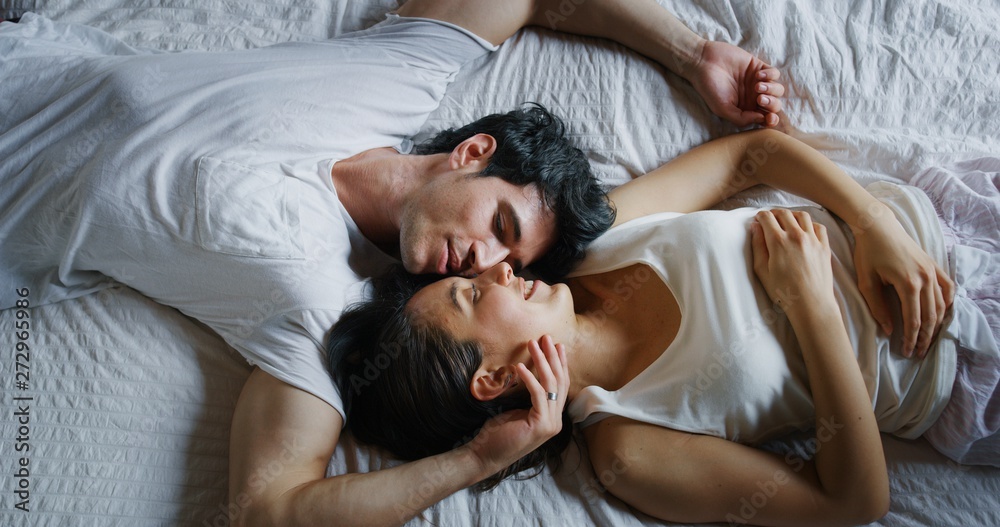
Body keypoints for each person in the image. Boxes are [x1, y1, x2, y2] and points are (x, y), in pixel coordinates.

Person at [0, 1, 793, 524]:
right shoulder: (400, 76)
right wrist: (692, 56)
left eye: (503, 263)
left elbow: (267, 509)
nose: (484, 260)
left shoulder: (318, 303)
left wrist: (477, 459)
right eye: (502, 225)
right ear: (472, 153)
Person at [329, 128, 1000, 526]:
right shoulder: (631, 449)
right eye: (475, 293)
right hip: (965, 368)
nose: (503, 269)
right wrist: (811, 306)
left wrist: (870, 220)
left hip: (946, 225)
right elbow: (855, 499)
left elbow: (752, 156)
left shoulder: (598, 243)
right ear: (494, 377)